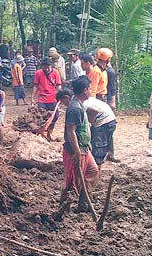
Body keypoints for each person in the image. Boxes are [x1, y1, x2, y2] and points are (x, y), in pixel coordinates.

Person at [56, 77, 100, 219]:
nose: (90, 91)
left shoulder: (80, 105)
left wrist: (87, 144)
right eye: (89, 88)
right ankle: (62, 211)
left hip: (84, 148)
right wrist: (76, 151)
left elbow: (84, 127)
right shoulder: (74, 108)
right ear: (85, 90)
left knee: (93, 172)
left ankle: (83, 203)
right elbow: (71, 131)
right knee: (73, 183)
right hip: (76, 150)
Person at [31, 58, 63, 141]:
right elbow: (36, 86)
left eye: (49, 67)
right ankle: (42, 133)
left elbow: (58, 86)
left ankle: (50, 133)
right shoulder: (38, 73)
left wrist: (60, 97)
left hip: (53, 98)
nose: (47, 69)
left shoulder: (55, 72)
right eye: (45, 67)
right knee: (41, 117)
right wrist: (32, 98)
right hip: (42, 99)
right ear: (42, 67)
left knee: (55, 117)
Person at [84, 96, 117, 165]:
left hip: (104, 121)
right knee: (107, 138)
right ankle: (110, 155)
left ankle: (97, 163)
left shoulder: (83, 104)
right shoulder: (87, 99)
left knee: (99, 144)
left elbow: (95, 110)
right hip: (111, 119)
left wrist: (91, 122)